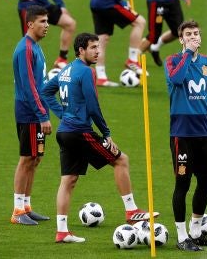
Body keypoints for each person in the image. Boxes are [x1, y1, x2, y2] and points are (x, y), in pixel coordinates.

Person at [41, 33, 159, 243]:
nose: (98, 51)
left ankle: (61, 232)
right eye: (93, 47)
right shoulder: (86, 72)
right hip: (80, 132)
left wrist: (63, 114)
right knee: (121, 160)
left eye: (98, 47)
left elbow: (46, 92)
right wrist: (106, 133)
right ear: (81, 50)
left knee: (68, 180)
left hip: (64, 132)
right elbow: (93, 105)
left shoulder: (66, 69)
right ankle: (131, 211)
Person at [164, 20, 207, 251]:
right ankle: (182, 237)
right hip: (182, 134)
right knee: (183, 183)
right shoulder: (173, 61)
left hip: (203, 133)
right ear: (181, 39)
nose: (193, 37)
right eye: (188, 34)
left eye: (196, 33)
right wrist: (188, 53)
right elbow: (176, 80)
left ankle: (196, 231)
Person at [11, 5, 60, 225]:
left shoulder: (35, 47)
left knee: (36, 158)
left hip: (37, 110)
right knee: (26, 158)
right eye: (42, 21)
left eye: (47, 21)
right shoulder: (25, 50)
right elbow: (30, 86)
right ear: (30, 24)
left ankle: (27, 206)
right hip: (29, 112)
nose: (47, 25)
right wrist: (42, 115)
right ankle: (17, 211)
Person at [90, 0, 148, 87]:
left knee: (102, 38)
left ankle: (101, 77)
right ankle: (132, 60)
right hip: (107, 2)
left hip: (96, 2)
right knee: (140, 22)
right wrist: (122, 2)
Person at [8, 0, 76, 69]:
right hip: (28, 5)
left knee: (70, 23)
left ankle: (62, 59)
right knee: (29, 40)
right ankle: (27, 69)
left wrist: (61, 5)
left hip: (44, 4)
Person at [139, 0, 193, 67]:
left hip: (172, 0)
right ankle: (134, 60)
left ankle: (155, 47)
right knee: (153, 36)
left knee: (178, 31)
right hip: (157, 1)